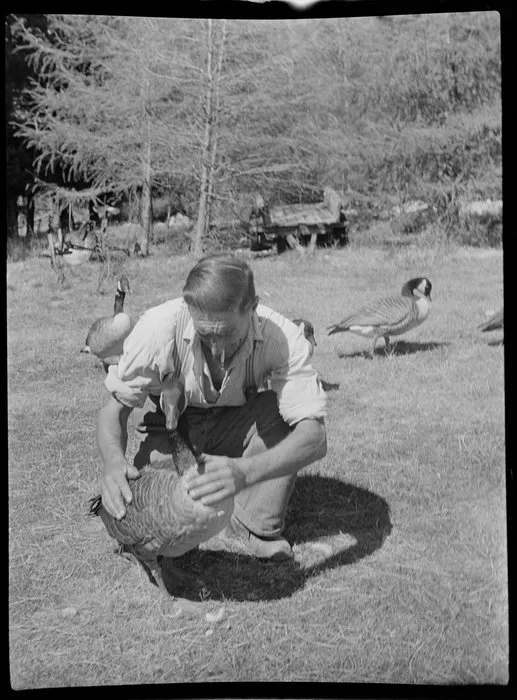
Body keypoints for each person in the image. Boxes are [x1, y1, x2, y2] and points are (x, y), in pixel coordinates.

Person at [97, 253, 327, 561]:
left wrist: (246, 472)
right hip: (172, 429)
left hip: (234, 423)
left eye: (227, 334)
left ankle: (253, 525)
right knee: (160, 506)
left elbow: (314, 437)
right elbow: (114, 409)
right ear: (189, 309)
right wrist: (113, 462)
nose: (217, 351)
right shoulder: (157, 329)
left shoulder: (282, 337)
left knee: (280, 413)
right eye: (205, 334)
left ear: (253, 308)